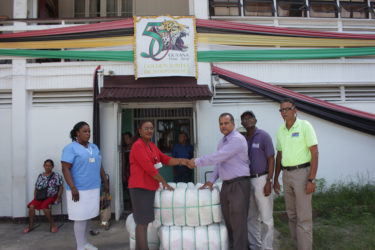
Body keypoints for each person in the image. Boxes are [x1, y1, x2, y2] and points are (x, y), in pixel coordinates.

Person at [188, 113, 251, 250]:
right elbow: (219, 163)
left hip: (239, 184)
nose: (223, 126)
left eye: (226, 123)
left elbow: (218, 157)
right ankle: (235, 246)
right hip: (227, 185)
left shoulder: (236, 139)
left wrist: (197, 161)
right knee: (228, 221)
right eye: (221, 124)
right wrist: (211, 181)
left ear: (233, 124)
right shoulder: (222, 141)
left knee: (238, 222)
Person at [128, 120, 190, 250]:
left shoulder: (151, 145)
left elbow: (165, 159)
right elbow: (149, 168)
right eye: (146, 128)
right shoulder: (137, 146)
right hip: (140, 188)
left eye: (151, 128)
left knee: (144, 222)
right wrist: (164, 182)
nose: (149, 131)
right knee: (142, 223)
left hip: (149, 187)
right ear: (139, 131)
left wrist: (182, 161)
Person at [273, 98, 319, 250]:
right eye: (281, 110)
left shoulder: (305, 126)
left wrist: (311, 179)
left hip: (302, 173)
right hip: (286, 175)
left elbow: (314, 152)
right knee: (291, 215)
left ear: (295, 110)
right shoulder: (281, 130)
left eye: (287, 109)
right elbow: (279, 156)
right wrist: (276, 179)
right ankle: (299, 246)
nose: (284, 112)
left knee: (303, 217)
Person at [61, 121, 109, 250]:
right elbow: (65, 168)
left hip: (93, 188)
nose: (88, 134)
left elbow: (99, 164)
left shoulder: (94, 147)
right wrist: (73, 188)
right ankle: (80, 246)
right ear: (77, 133)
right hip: (78, 189)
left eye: (89, 131)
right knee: (80, 218)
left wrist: (105, 180)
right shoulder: (70, 148)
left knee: (88, 216)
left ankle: (86, 243)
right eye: (85, 131)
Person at [241, 111, 275, 250]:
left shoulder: (264, 136)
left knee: (266, 218)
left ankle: (267, 247)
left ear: (256, 120)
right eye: (244, 119)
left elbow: (271, 159)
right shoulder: (242, 139)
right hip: (247, 181)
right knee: (251, 216)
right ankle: (255, 246)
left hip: (261, 179)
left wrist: (269, 181)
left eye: (250, 118)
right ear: (242, 123)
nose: (247, 120)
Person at [24, 159, 63, 234]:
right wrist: (35, 197)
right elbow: (36, 187)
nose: (48, 167)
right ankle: (31, 225)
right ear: (44, 166)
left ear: (52, 167)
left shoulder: (57, 176)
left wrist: (58, 197)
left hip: (51, 196)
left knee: (44, 206)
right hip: (40, 196)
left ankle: (53, 225)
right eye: (46, 165)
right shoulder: (40, 176)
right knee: (31, 206)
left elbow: (61, 187)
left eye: (50, 166)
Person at [121, 132, 133, 211]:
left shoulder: (135, 147)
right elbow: (123, 162)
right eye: (124, 139)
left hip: (135, 171)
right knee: (129, 189)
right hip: (128, 172)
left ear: (131, 138)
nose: (126, 140)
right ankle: (132, 207)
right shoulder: (124, 149)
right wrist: (123, 174)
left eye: (127, 138)